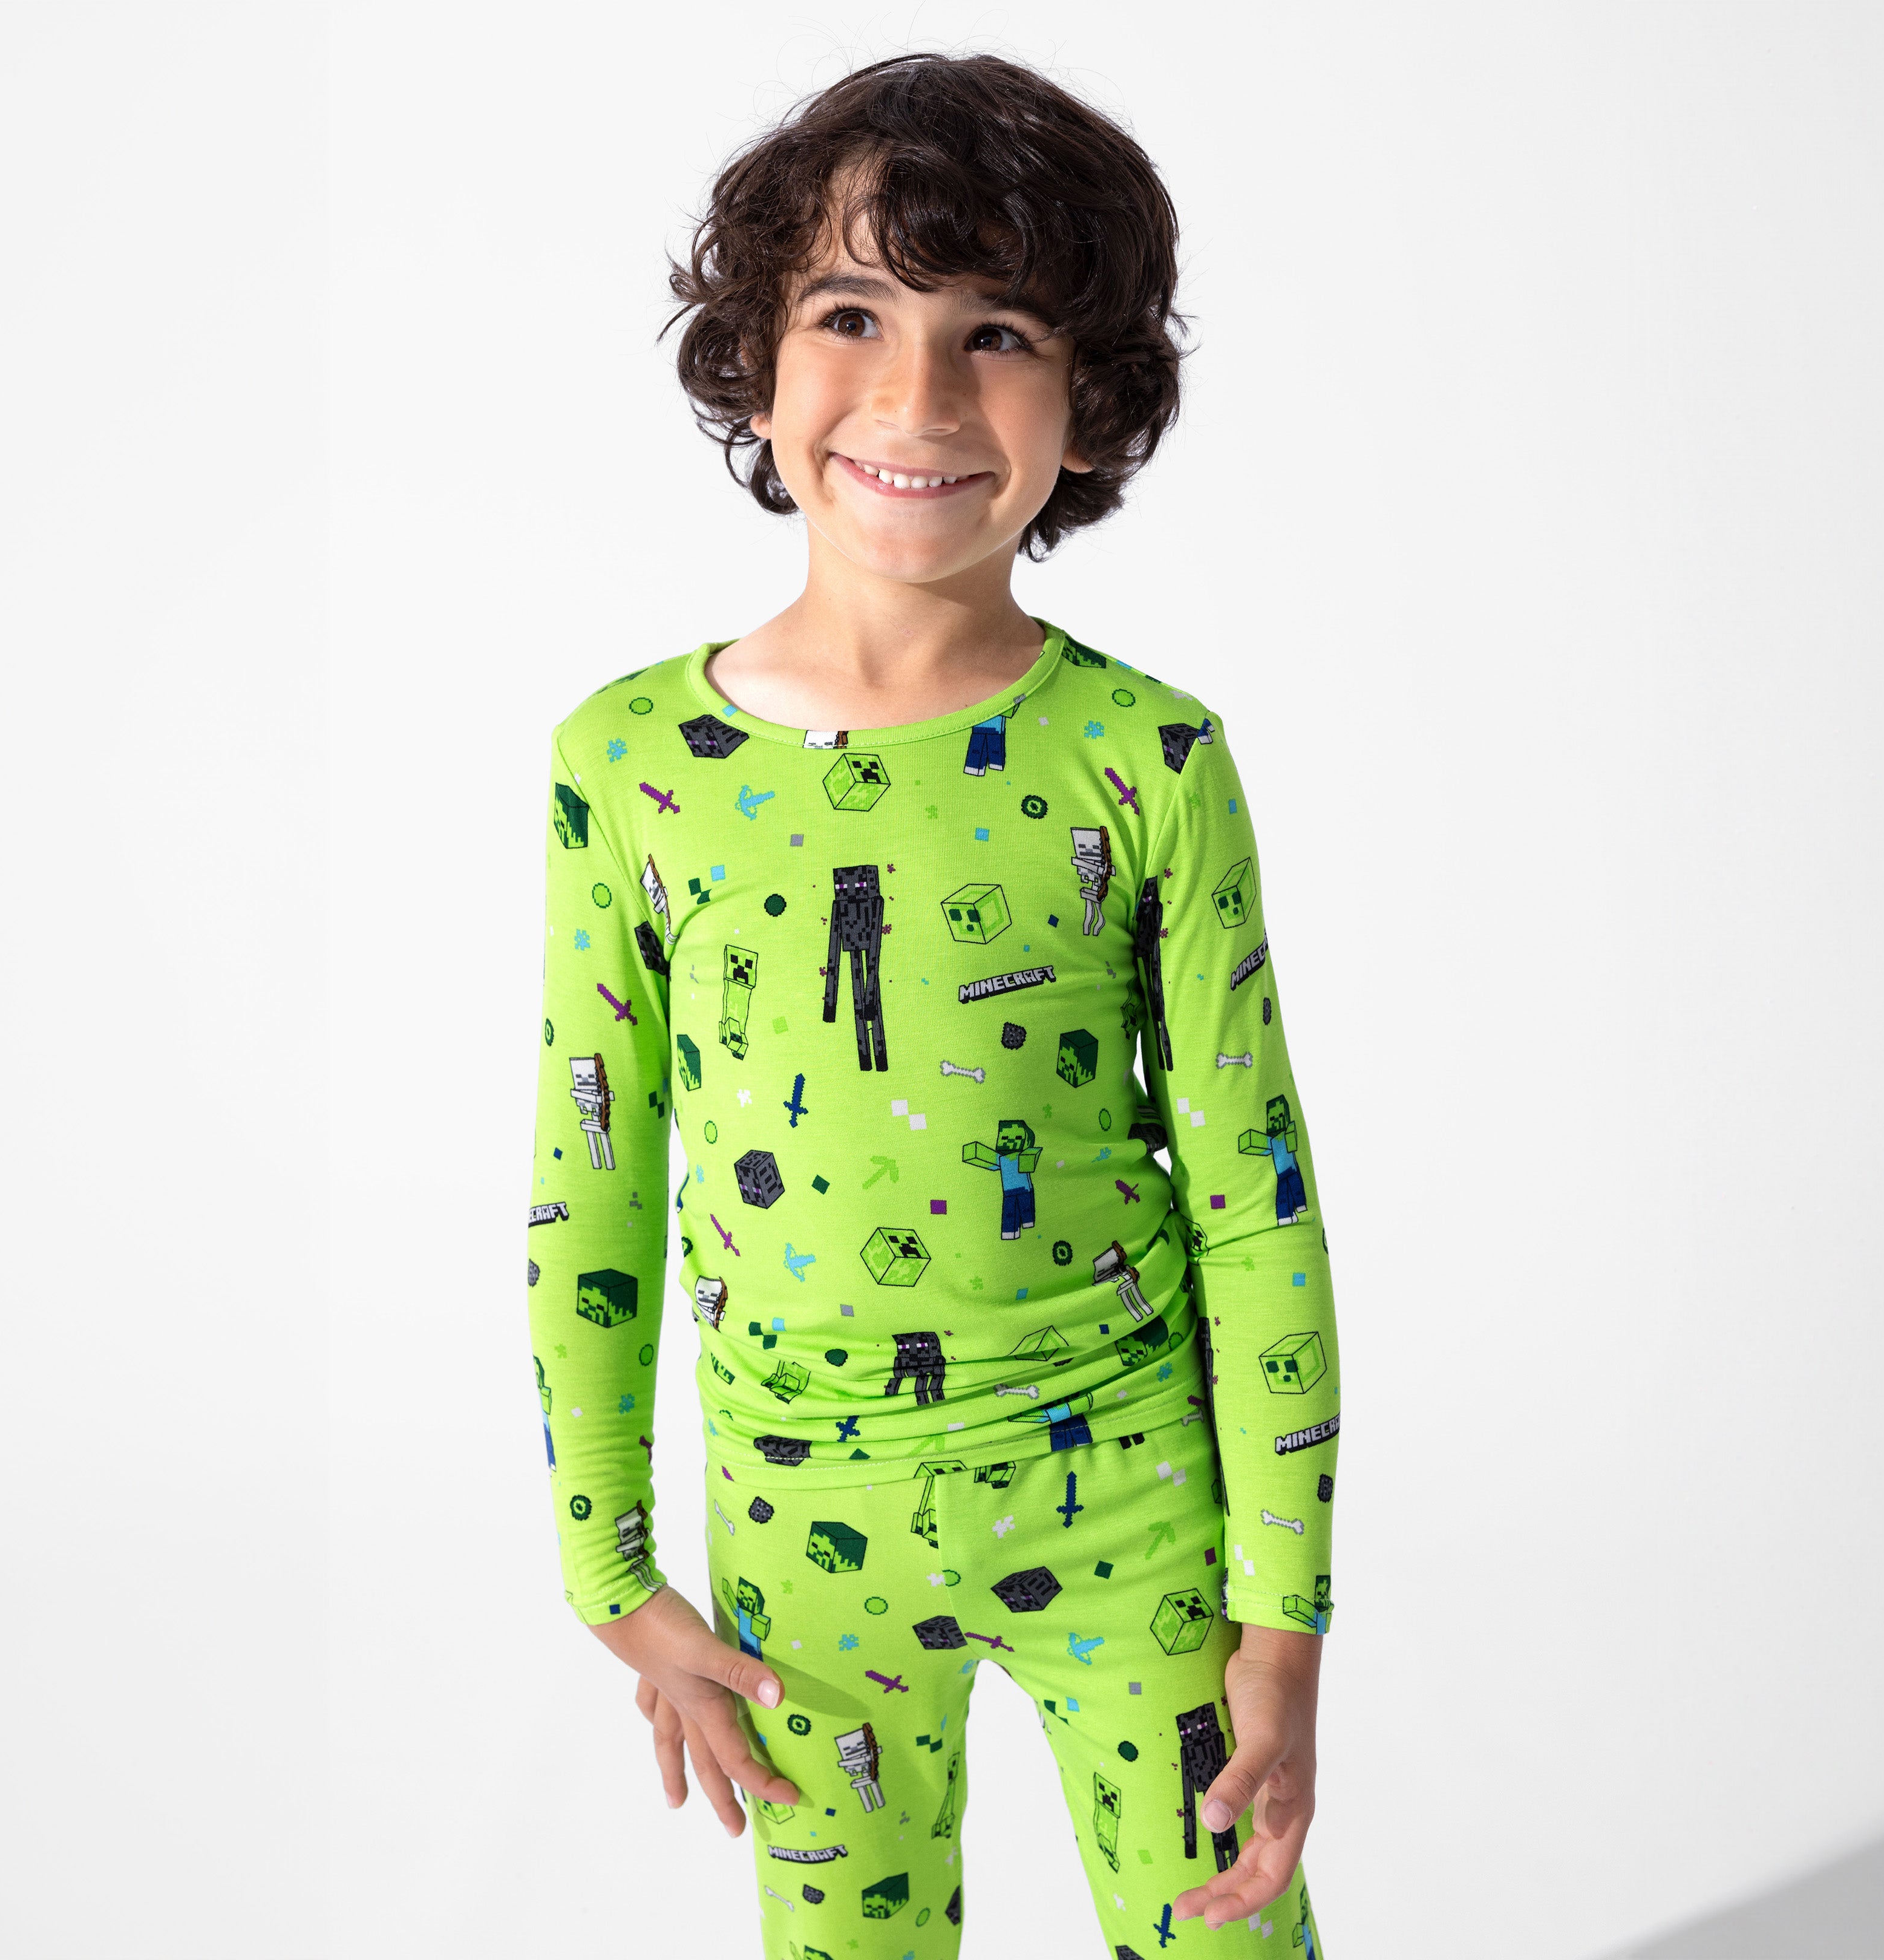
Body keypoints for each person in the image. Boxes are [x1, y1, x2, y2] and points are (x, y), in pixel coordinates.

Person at [522, 51, 1341, 1958]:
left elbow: (1255, 1203)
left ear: (1094, 402)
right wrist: (609, 1573)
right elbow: (593, 1183)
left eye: (998, 334)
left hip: (1135, 1506)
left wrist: (1283, 1616)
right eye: (850, 315)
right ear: (754, 361)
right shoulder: (625, 764)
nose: (916, 398)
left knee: (1225, 1934)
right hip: (808, 1547)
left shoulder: (1150, 758)